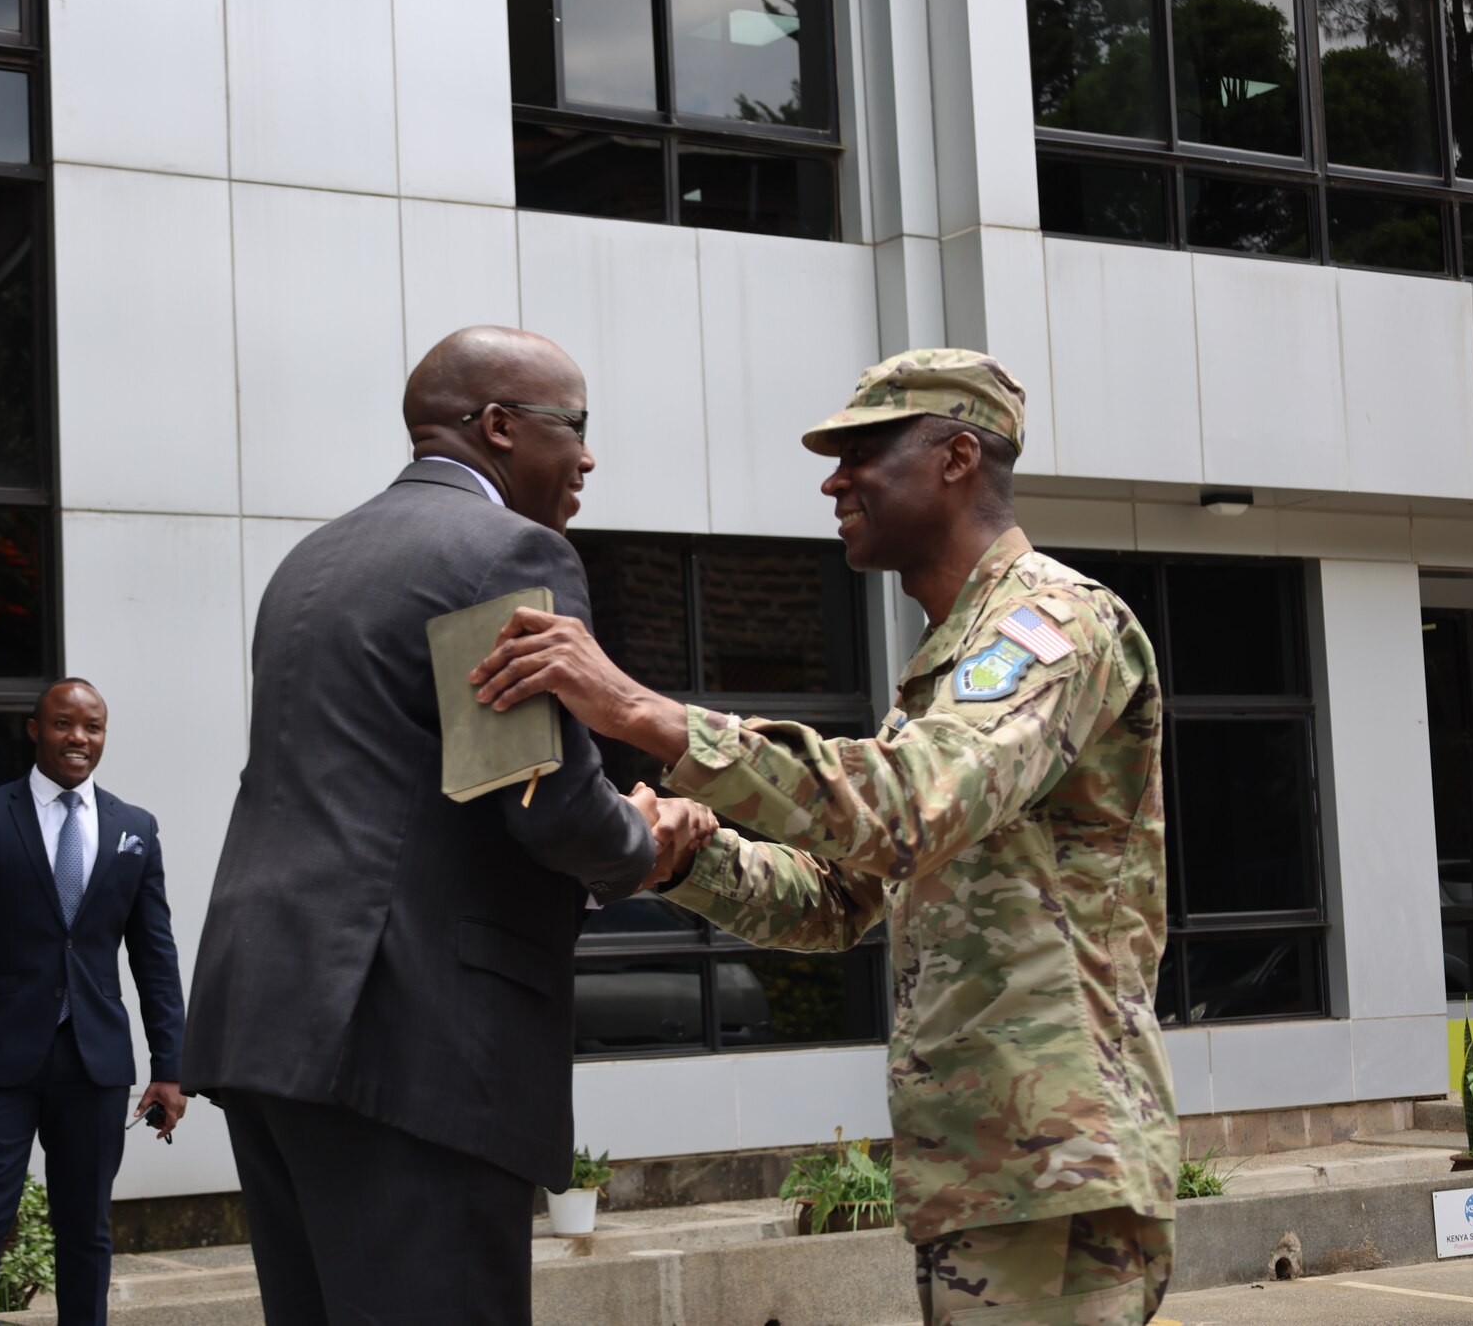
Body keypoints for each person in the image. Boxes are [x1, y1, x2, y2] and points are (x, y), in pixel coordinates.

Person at [469, 349, 1179, 1326]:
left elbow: (908, 806)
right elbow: (840, 899)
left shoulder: (1052, 625)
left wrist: (645, 713)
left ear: (956, 458)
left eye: (863, 453)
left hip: (1057, 1174)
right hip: (990, 1177)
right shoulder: (945, 672)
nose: (833, 481)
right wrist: (687, 857)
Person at [182, 325, 715, 1326]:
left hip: (266, 1020)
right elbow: (542, 801)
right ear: (499, 426)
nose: (588, 457)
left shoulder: (312, 560)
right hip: (407, 1041)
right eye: (575, 426)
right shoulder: (502, 553)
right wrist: (644, 838)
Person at [0, 678, 186, 1326]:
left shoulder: (135, 828)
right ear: (35, 730)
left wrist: (170, 1066)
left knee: (87, 1228)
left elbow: (155, 956)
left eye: (92, 726)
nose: (78, 738)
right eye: (64, 724)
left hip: (94, 1065)